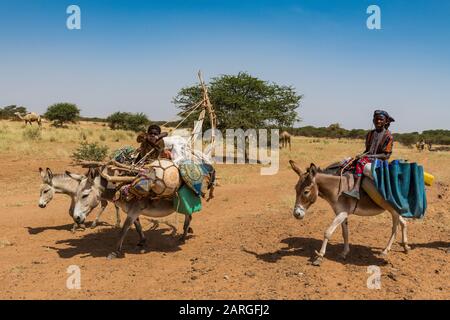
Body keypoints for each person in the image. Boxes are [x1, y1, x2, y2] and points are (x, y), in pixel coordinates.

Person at [343, 110, 395, 200]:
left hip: (380, 162)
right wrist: (361, 155)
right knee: (348, 161)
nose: (378, 121)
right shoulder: (370, 134)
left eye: (381, 119)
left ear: (385, 121)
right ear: (373, 120)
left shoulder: (388, 136)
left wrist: (368, 157)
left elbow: (386, 156)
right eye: (376, 119)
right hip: (368, 159)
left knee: (360, 162)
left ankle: (355, 190)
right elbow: (367, 150)